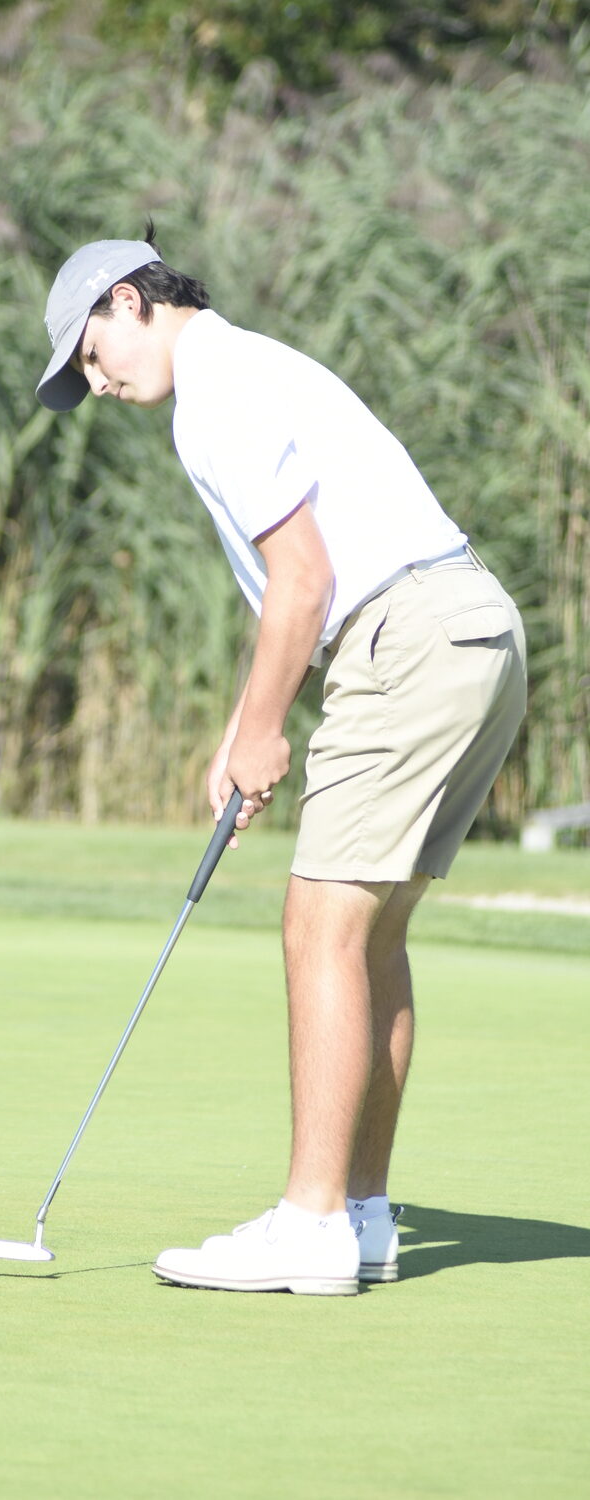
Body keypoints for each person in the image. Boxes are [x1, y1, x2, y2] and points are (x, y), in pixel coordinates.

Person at [35, 230, 526, 1296]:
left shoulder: (215, 394)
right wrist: (243, 724)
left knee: (319, 924)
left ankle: (308, 1228)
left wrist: (264, 731)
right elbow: (308, 595)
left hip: (410, 635)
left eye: (91, 352)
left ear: (129, 301)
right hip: (470, 627)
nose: (100, 381)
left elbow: (301, 580)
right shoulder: (253, 366)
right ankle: (360, 1216)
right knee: (371, 933)